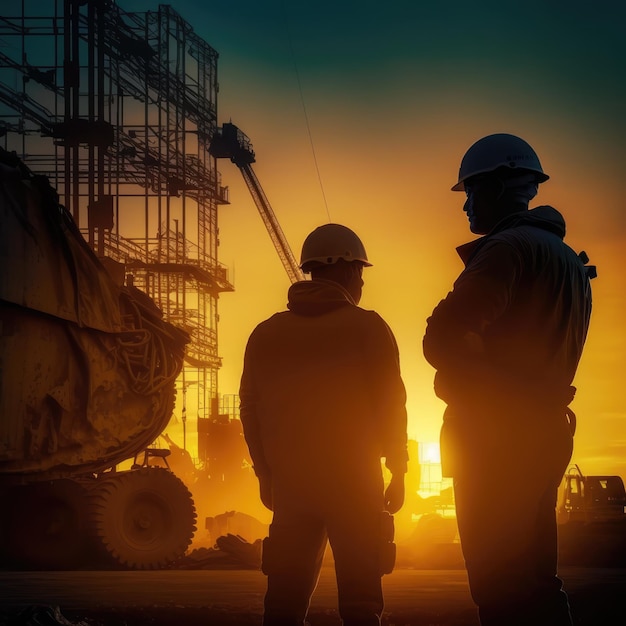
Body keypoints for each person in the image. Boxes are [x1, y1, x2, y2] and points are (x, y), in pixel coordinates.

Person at [422, 133, 595, 626]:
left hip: (496, 437)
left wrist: (459, 379)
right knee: (538, 579)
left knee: (498, 583)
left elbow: (441, 339)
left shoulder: (505, 249)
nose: (466, 207)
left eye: (472, 192)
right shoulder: (569, 263)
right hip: (546, 431)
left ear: (498, 187)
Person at [239, 223, 408, 626]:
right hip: (354, 484)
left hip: (293, 485)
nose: (362, 282)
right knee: (362, 604)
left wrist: (266, 475)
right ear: (349, 271)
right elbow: (391, 405)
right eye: (361, 272)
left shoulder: (265, 334)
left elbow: (250, 412)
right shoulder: (368, 327)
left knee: (283, 605)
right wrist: (399, 469)